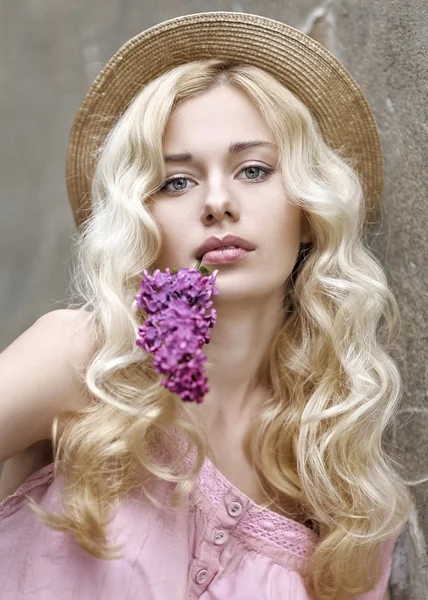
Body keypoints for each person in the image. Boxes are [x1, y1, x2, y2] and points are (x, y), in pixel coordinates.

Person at [0, 11, 414, 600]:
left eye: (254, 170)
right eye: (176, 182)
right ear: (144, 224)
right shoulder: (86, 364)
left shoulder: (344, 483)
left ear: (309, 213)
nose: (218, 203)